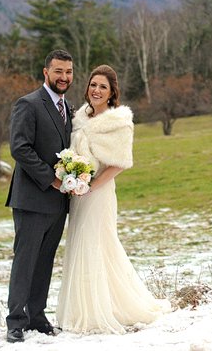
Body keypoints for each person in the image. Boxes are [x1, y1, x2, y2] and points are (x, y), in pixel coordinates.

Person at [56, 64, 170, 334]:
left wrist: (92, 185)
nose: (96, 90)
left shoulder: (118, 122)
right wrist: (72, 177)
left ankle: (105, 310)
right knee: (79, 244)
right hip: (78, 192)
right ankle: (83, 307)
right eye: (93, 85)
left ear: (112, 92)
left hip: (99, 193)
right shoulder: (79, 116)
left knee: (97, 244)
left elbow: (119, 163)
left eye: (103, 87)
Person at [5, 49, 74, 343]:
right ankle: (15, 321)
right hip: (33, 198)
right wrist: (52, 179)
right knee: (26, 259)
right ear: (46, 72)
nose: (64, 77)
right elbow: (20, 148)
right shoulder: (29, 104)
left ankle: (36, 315)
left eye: (69, 72)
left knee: (45, 260)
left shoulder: (70, 108)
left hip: (59, 202)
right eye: (58, 71)